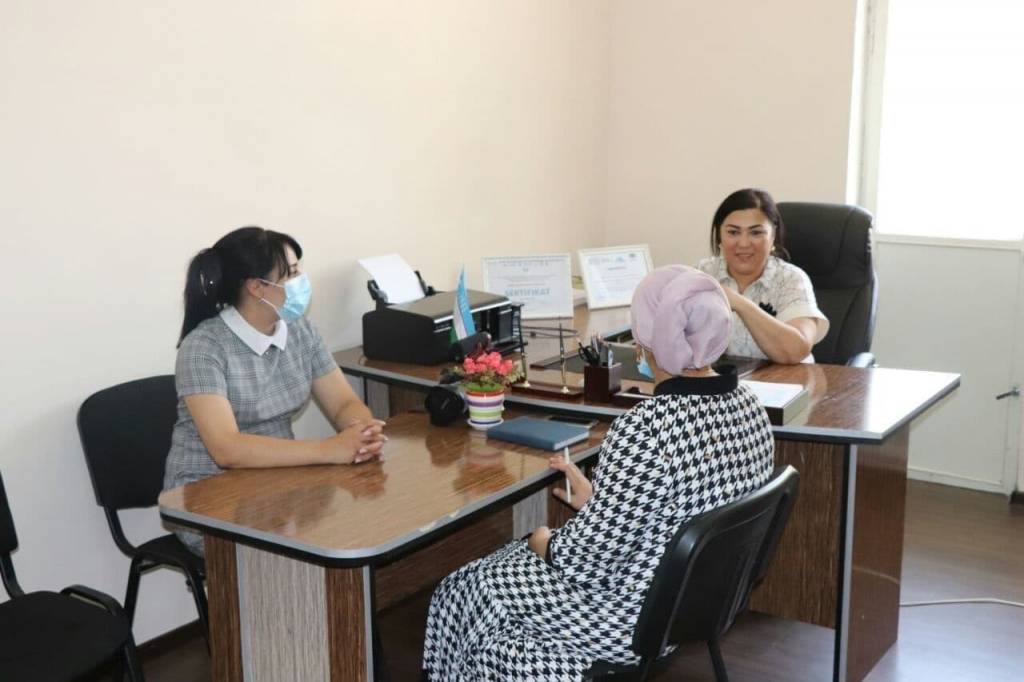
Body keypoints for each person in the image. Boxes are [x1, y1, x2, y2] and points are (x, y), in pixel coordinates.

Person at [422, 266, 775, 681]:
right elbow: (686, 504)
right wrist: (602, 504)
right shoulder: (751, 407)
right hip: (700, 604)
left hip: (628, 620)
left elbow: (580, 561)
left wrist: (543, 540)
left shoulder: (645, 428)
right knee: (498, 587)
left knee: (465, 586)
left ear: (646, 341)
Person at [163, 226, 386, 555]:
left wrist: (361, 431)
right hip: (209, 497)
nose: (301, 280)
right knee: (316, 547)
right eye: (291, 273)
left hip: (279, 482)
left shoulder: (300, 330)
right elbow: (227, 449)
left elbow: (343, 402)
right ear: (256, 287)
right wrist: (330, 450)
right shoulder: (204, 348)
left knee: (362, 524)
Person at [697, 188, 829, 363]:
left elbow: (796, 351)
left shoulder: (791, 279)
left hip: (786, 379)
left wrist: (739, 303)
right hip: (725, 378)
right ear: (720, 235)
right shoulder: (704, 273)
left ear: (773, 236)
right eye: (733, 232)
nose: (744, 243)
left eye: (756, 232)